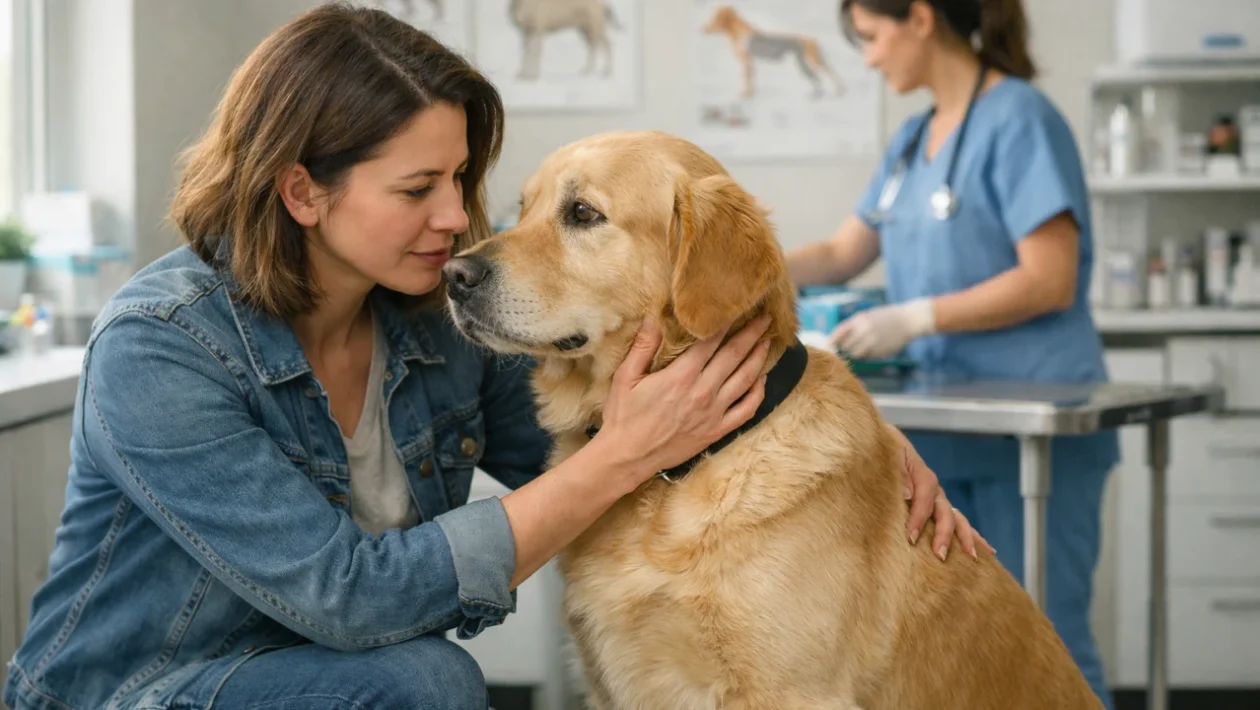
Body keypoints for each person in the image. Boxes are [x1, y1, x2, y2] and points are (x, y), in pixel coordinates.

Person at [2, 4, 986, 710]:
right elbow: (352, 592)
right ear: (304, 192)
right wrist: (616, 459)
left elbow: (596, 440)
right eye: (419, 186)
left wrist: (844, 449)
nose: (457, 221)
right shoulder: (160, 349)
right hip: (136, 689)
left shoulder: (428, 321)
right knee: (427, 680)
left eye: (465, 178)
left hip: (321, 675)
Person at [786, 0, 1120, 707]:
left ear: (921, 17)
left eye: (872, 38)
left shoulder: (1021, 118)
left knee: (1046, 643)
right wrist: (733, 261)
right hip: (944, 440)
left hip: (1033, 429)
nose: (869, 59)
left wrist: (918, 316)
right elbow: (844, 254)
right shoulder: (911, 142)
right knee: (955, 653)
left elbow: (1050, 277)